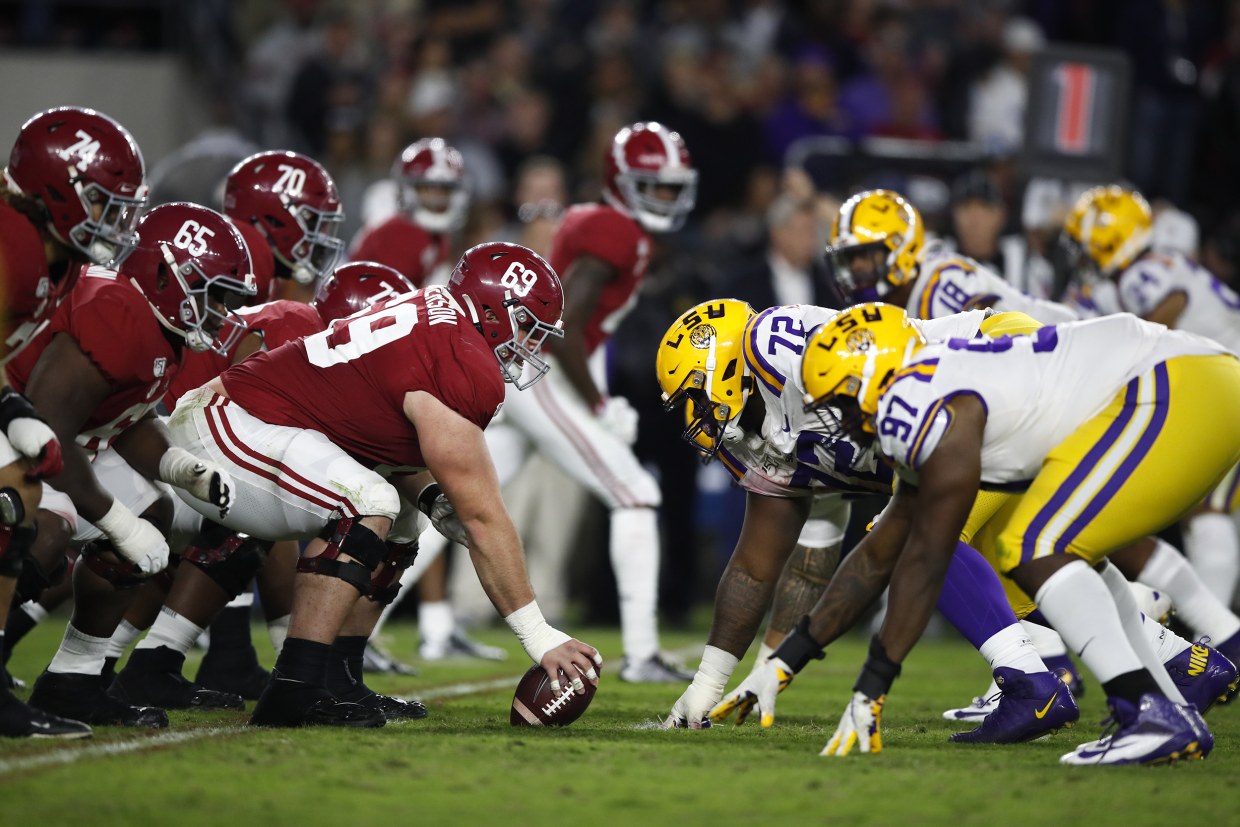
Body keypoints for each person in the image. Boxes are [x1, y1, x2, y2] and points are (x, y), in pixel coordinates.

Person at [746, 302, 1236, 765]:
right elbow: (881, 553)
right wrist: (789, 661)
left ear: (873, 376)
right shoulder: (930, 384)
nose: (841, 422)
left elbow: (927, 557)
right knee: (1049, 548)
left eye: (842, 402)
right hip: (1195, 379)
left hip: (1173, 384)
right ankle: (1170, 697)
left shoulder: (916, 399)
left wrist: (873, 685)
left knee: (1036, 548)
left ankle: (1147, 713)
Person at [166, 241, 601, 727]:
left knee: (405, 518)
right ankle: (294, 689)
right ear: (493, 310)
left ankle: (338, 678)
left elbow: (377, 435)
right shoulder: (459, 357)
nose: (530, 346)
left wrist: (432, 497)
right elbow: (483, 517)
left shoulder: (439, 318)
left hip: (264, 427)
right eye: (526, 326)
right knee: (367, 501)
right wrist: (539, 635)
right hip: (228, 425)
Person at [655, 299, 1079, 744]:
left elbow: (887, 356)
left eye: (694, 396)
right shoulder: (755, 443)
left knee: (914, 537)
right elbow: (753, 569)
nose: (694, 414)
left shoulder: (777, 347)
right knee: (1020, 574)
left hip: (991, 362)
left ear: (723, 369)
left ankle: (1031, 686)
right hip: (960, 423)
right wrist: (707, 684)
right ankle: (1135, 672)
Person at [109, 261, 416, 710]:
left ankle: (158, 661)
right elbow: (251, 418)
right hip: (161, 448)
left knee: (308, 512)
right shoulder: (298, 328)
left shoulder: (318, 340)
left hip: (175, 448)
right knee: (258, 513)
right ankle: (147, 661)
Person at [11, 203, 252, 727]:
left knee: (152, 512)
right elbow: (47, 427)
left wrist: (176, 465)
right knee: (46, 530)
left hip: (55, 438)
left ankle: (73, 680)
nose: (221, 311)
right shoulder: (115, 311)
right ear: (165, 276)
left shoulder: (151, 322)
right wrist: (114, 520)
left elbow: (121, 420)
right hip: (19, 434)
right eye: (213, 294)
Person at [0, 106, 150, 738]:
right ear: (57, 190)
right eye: (102, 203)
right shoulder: (13, 244)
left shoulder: (51, 257)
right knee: (15, 496)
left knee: (19, 494)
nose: (115, 221)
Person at [1065, 186, 1240, 613]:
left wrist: (1134, 343)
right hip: (1221, 382)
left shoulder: (1140, 273)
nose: (1082, 253)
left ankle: (1215, 636)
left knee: (1207, 511)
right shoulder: (1163, 262)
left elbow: (1170, 302)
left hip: (1227, 385)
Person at [223, 149, 346, 297]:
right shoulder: (231, 279)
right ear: (273, 221)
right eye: (312, 223)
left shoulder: (269, 282)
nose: (321, 239)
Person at [350, 137, 467, 288]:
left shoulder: (437, 234)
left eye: (445, 189)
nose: (437, 199)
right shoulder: (398, 232)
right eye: (427, 189)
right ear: (408, 190)